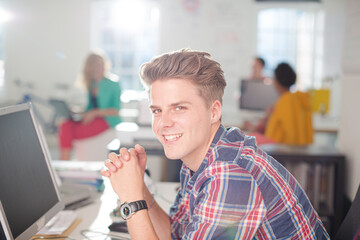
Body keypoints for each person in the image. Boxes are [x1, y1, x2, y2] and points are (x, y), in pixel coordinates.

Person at [101, 49, 329, 239]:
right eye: (157, 110)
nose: (163, 123)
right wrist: (140, 188)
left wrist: (131, 200)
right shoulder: (201, 159)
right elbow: (175, 235)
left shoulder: (228, 174)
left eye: (179, 107)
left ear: (214, 111)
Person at [58, 51, 121, 160]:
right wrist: (78, 112)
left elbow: (116, 111)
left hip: (107, 120)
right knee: (65, 125)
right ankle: (64, 162)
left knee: (68, 132)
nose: (100, 68)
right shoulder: (91, 84)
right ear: (90, 67)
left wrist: (94, 113)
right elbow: (90, 108)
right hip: (93, 118)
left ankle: (64, 162)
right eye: (96, 65)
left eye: (101, 64)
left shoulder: (113, 84)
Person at [245, 62, 313, 145]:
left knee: (248, 139)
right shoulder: (300, 99)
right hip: (303, 148)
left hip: (282, 149)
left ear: (276, 81)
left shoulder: (284, 101)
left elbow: (278, 133)